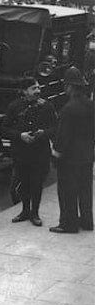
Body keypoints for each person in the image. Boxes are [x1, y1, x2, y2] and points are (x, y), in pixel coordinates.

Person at [3, 79, 57, 227]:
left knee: (37, 183)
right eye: (34, 88)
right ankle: (25, 211)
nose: (38, 90)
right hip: (21, 151)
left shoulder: (47, 106)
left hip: (40, 152)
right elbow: (5, 128)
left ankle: (35, 213)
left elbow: (55, 128)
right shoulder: (14, 106)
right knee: (24, 181)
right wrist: (20, 135)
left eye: (38, 87)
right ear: (25, 91)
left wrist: (43, 133)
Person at [50, 67, 93, 233]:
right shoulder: (91, 105)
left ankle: (69, 223)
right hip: (87, 155)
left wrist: (56, 154)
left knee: (68, 191)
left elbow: (63, 137)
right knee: (85, 190)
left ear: (69, 86)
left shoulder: (68, 109)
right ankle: (87, 222)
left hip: (69, 158)